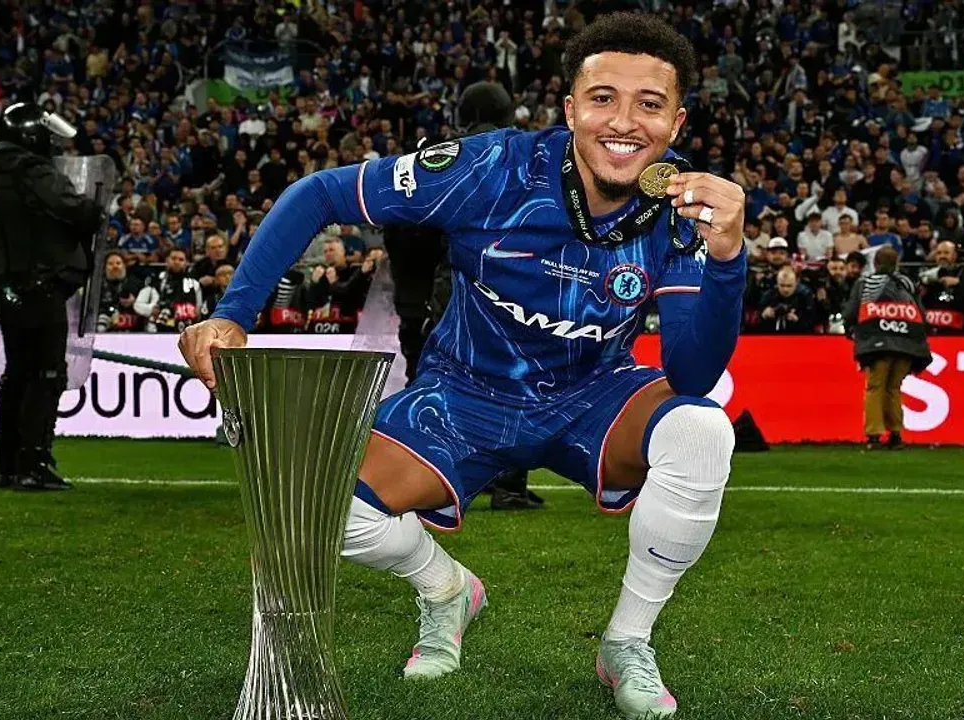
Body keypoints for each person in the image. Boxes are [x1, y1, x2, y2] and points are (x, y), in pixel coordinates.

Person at [180, 14, 747, 720]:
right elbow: (321, 194)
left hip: (595, 395)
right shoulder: (490, 168)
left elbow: (690, 376)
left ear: (677, 122)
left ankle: (626, 642)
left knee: (701, 428)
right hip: (463, 395)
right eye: (603, 98)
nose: (624, 122)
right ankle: (445, 588)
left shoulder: (685, 212)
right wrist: (233, 313)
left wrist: (728, 258)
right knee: (315, 515)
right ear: (570, 108)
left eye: (650, 104)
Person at [383, 79, 545, 511]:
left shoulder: (436, 156)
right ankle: (507, 484)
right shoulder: (523, 155)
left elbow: (398, 223)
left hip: (433, 292)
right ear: (508, 113)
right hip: (500, 287)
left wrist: (414, 297)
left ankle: (430, 479)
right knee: (513, 383)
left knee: (437, 385)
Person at [0, 102, 106, 491]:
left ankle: (8, 466)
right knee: (46, 373)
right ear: (32, 136)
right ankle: (34, 463)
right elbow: (71, 208)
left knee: (17, 374)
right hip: (40, 283)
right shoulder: (30, 169)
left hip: (4, 286)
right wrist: (94, 210)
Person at [842, 245, 932, 450]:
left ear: (875, 263)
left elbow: (851, 312)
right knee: (893, 388)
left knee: (875, 387)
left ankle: (874, 435)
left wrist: (850, 330)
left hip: (877, 343)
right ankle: (896, 434)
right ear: (896, 264)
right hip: (907, 343)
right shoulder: (908, 284)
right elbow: (922, 315)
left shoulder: (865, 283)